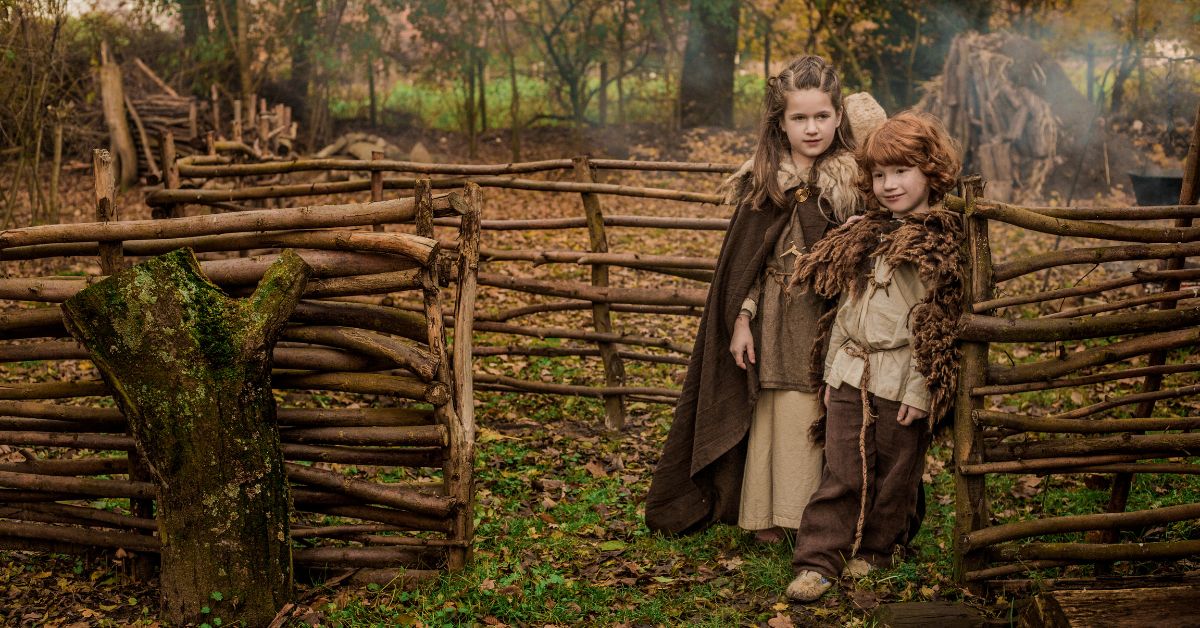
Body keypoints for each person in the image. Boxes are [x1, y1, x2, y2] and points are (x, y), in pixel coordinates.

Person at [644, 56, 885, 541]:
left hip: (824, 319)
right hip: (769, 314)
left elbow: (871, 252)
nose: (811, 128)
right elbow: (747, 264)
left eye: (821, 116)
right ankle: (763, 516)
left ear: (839, 117)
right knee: (769, 407)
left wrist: (860, 235)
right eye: (799, 117)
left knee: (814, 408)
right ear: (780, 122)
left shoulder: (853, 182)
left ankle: (808, 515)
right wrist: (741, 318)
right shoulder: (765, 178)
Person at [784, 111, 965, 601]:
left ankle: (878, 551)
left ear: (931, 171)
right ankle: (818, 560)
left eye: (901, 171)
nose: (889, 185)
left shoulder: (941, 242)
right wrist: (831, 370)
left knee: (895, 471)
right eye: (880, 175)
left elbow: (940, 327)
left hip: (903, 376)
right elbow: (845, 309)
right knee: (841, 468)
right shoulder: (866, 233)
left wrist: (923, 389)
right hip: (852, 369)